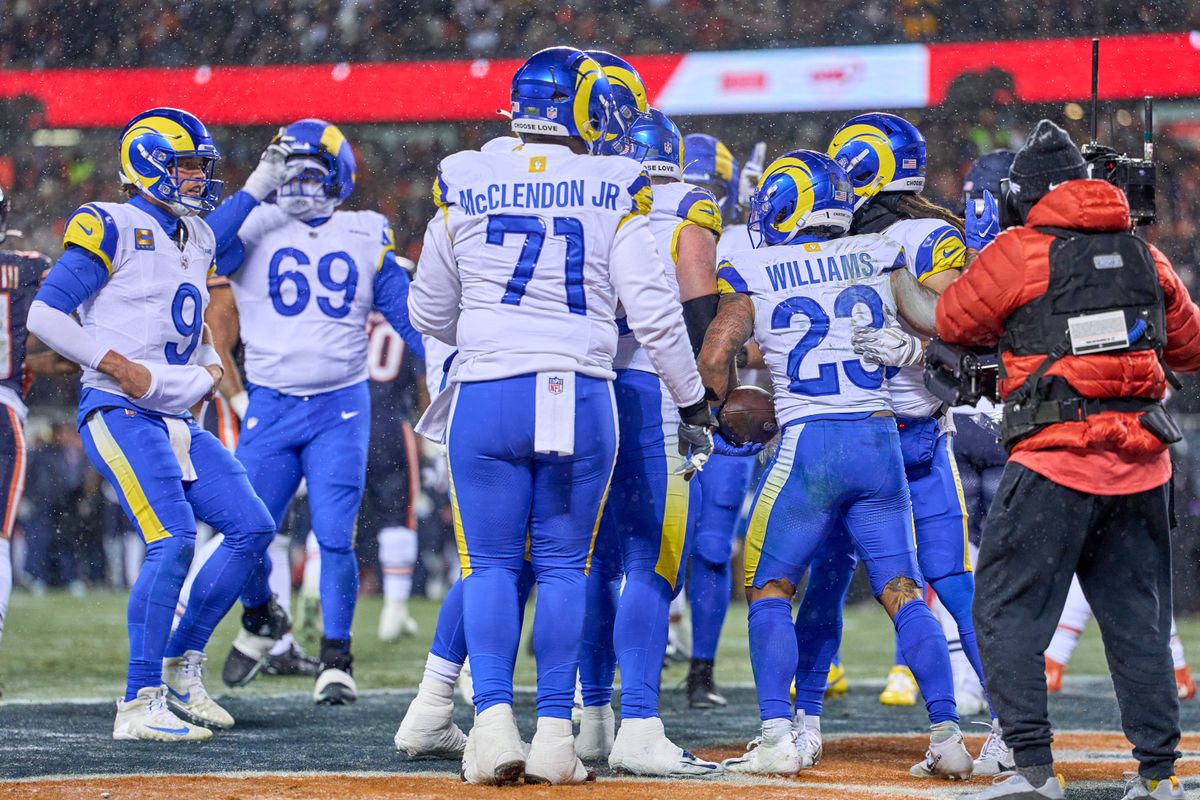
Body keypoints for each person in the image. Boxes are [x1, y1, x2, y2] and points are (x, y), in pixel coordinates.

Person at [407, 46, 713, 785]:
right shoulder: (613, 183)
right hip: (578, 392)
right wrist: (693, 399)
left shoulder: (468, 176)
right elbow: (656, 315)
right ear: (578, 106)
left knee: (489, 566)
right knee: (566, 568)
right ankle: (554, 737)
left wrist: (495, 330)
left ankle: (492, 728)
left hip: (487, 391)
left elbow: (427, 310)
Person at [941, 119, 1200, 800]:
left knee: (1004, 609)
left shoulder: (1020, 250)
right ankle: (1159, 775)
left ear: (1023, 197)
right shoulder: (1147, 254)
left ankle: (1031, 769)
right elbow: (1191, 350)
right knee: (1139, 625)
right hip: (1144, 466)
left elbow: (953, 323)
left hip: (1054, 461)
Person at [699, 149, 971, 779]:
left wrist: (711, 415)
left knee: (769, 590)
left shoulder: (755, 265)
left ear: (784, 204)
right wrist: (914, 348)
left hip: (808, 447)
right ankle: (949, 734)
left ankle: (776, 736)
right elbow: (941, 319)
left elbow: (717, 354)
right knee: (904, 593)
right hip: (879, 443)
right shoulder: (879, 251)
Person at [26, 107, 280, 740]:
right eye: (185, 165)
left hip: (173, 413)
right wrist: (118, 364)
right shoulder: (108, 221)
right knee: (173, 540)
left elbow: (182, 323)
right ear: (147, 166)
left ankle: (181, 658)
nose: (197, 177)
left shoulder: (193, 235)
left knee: (252, 527)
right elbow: (46, 314)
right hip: (118, 405)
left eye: (200, 165)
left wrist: (206, 366)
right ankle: (139, 702)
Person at [205, 118, 424, 705]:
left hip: (339, 408)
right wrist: (255, 185)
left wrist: (441, 360)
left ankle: (336, 659)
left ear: (340, 175)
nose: (299, 182)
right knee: (243, 531)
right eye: (289, 170)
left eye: (311, 169)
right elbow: (203, 243)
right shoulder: (254, 223)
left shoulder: (364, 228)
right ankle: (260, 617)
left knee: (333, 536)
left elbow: (401, 314)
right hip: (271, 405)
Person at [575, 103, 724, 776]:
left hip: (582, 388)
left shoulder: (582, 192)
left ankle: (587, 716)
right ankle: (638, 721)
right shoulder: (686, 204)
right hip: (650, 391)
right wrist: (702, 394)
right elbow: (697, 305)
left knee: (589, 562)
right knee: (653, 561)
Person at [680, 133, 769, 708]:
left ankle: (700, 672)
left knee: (712, 547)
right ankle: (603, 681)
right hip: (657, 406)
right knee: (641, 549)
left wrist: (723, 349)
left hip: (714, 415)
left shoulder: (738, 243)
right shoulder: (640, 229)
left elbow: (763, 340)